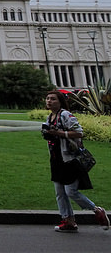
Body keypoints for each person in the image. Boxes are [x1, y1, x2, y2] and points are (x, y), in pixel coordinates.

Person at [42, 90, 109, 232]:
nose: (49, 101)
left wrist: (59, 133)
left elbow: (79, 132)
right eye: (47, 99)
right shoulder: (49, 118)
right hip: (56, 160)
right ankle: (68, 221)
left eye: (53, 99)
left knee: (71, 191)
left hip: (70, 160)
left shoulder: (65, 115)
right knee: (60, 193)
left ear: (60, 101)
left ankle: (96, 210)